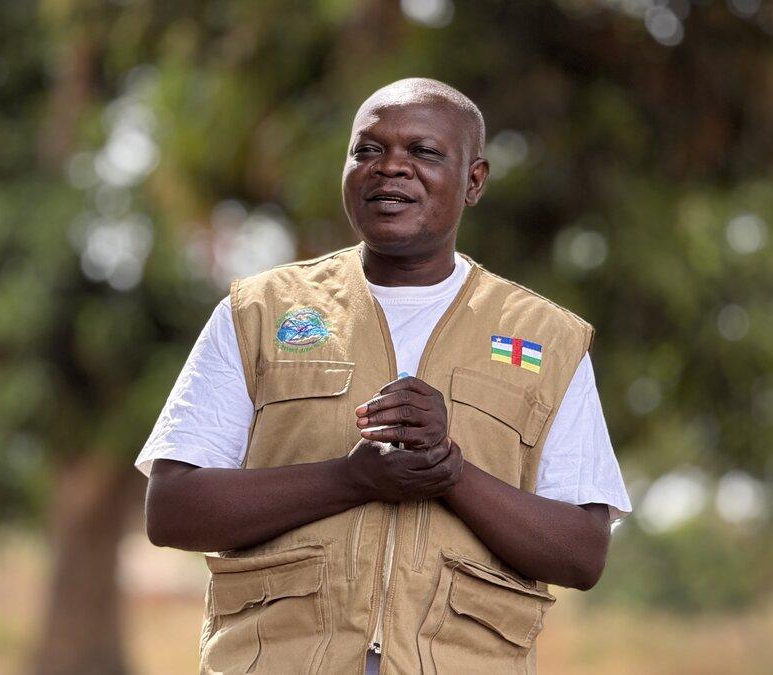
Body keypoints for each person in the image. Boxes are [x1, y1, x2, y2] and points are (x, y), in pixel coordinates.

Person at [136, 78, 631, 675]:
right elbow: (172, 509)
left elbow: (582, 554)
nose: (390, 168)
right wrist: (351, 480)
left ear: (474, 181)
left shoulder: (549, 340)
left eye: (423, 153)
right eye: (368, 150)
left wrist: (450, 473)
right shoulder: (259, 312)